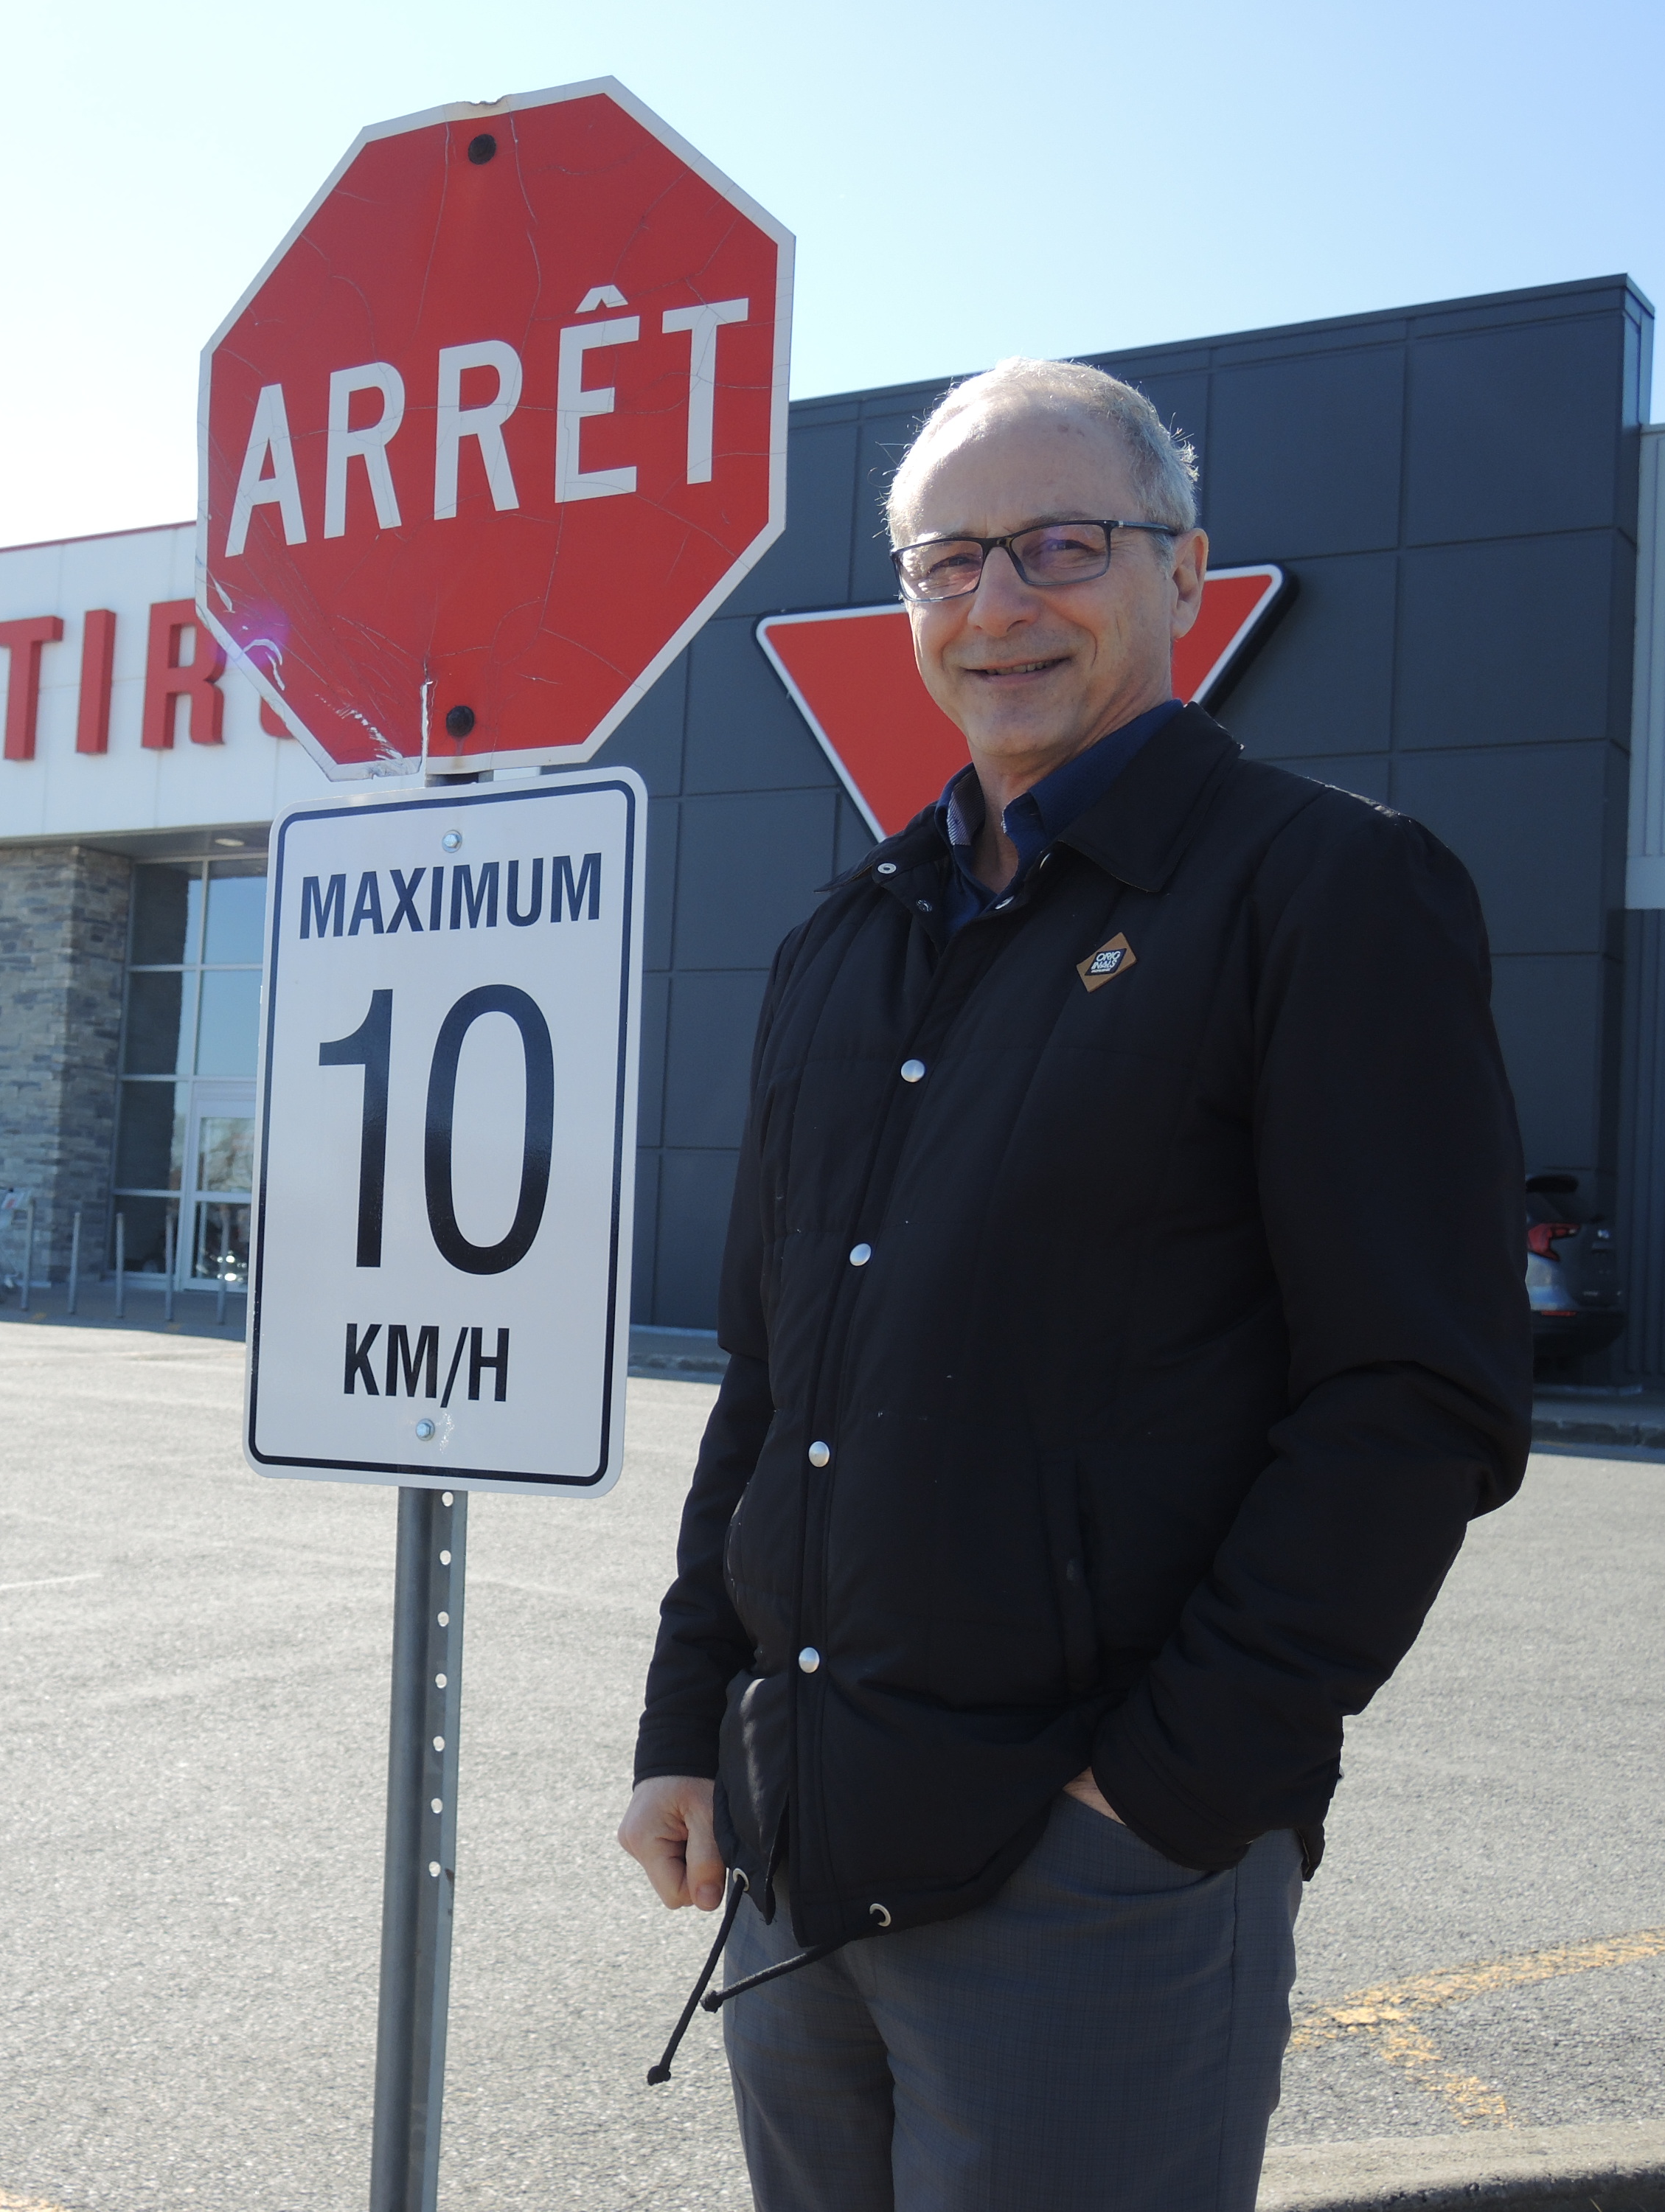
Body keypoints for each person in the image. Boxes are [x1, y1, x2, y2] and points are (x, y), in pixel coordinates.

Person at [617, 357, 1529, 2212]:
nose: (997, 604)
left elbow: (1415, 1399)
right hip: (797, 1866)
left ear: (1181, 571)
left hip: (1085, 1886)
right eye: (949, 561)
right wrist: (681, 1724)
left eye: (1058, 544)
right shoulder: (842, 940)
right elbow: (769, 1377)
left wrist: (1161, 1806)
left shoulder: (1322, 890)